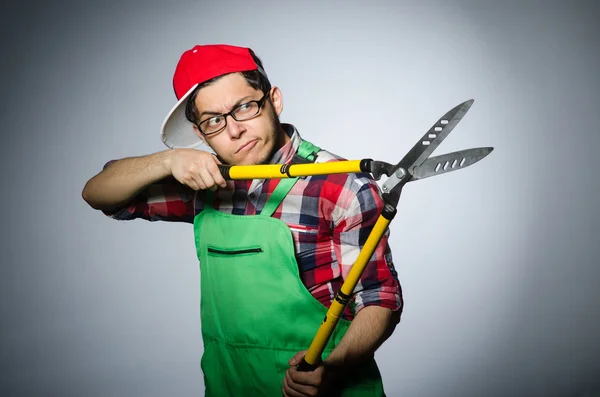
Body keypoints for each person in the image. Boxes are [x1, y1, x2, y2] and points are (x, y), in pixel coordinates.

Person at [82, 44, 403, 397]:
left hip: (325, 387)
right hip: (230, 386)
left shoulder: (340, 185)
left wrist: (336, 366)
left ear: (274, 101)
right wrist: (164, 162)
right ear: (200, 134)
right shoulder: (202, 183)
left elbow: (380, 299)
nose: (234, 131)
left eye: (245, 107)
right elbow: (98, 193)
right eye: (214, 121)